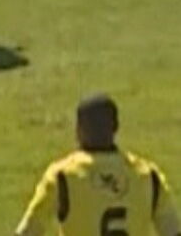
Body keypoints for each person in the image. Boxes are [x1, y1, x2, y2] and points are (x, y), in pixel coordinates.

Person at [14, 94, 180, 236]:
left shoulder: (63, 176)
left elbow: (29, 231)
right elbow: (172, 230)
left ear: (78, 129)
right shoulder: (148, 176)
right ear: (116, 127)